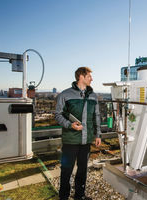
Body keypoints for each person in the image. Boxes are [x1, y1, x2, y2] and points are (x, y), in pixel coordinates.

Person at [55, 66, 101, 200]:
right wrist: (70, 125)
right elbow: (58, 115)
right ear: (81, 76)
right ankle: (63, 196)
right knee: (66, 170)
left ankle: (79, 196)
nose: (92, 79)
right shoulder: (65, 95)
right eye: (89, 76)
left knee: (82, 170)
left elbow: (96, 116)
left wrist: (98, 135)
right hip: (70, 141)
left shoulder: (93, 96)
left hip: (86, 141)